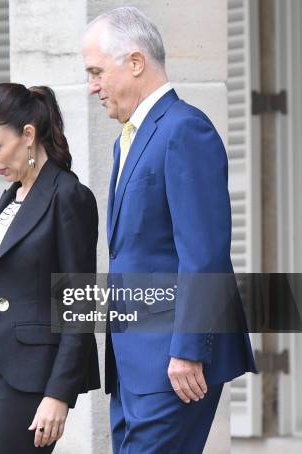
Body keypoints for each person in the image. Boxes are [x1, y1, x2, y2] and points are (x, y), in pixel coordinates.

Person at [82, 7, 257, 453]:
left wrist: (188, 350)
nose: (92, 87)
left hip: (172, 362)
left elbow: (205, 253)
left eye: (97, 72)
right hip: (132, 365)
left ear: (136, 62)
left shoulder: (184, 129)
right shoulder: (132, 138)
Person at [0, 83, 100, 453]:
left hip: (22, 384)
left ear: (28, 135)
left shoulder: (68, 196)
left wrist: (58, 395)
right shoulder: (11, 198)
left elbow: (79, 306)